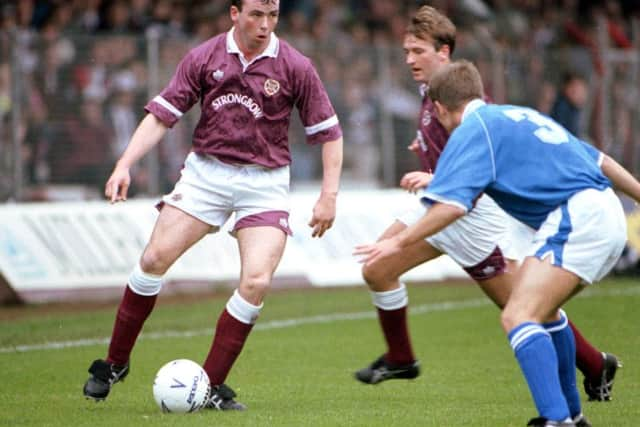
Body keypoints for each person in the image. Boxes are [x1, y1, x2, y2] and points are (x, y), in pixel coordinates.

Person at [353, 5, 619, 410]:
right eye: (406, 51)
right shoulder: (431, 95)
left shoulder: (466, 100)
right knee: (377, 268)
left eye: (418, 51)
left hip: (469, 214)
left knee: (526, 309)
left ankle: (590, 370)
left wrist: (433, 178)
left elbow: (480, 165)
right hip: (443, 205)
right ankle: (402, 358)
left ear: (443, 52)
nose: (409, 60)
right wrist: (426, 155)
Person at [82, 0, 343, 411]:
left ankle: (211, 387)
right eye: (257, 14)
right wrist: (124, 164)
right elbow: (161, 115)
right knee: (153, 258)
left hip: (265, 182)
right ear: (235, 13)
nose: (265, 24)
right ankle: (114, 362)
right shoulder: (204, 57)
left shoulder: (295, 65)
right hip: (206, 175)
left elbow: (329, 132)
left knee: (256, 282)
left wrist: (328, 195)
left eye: (273, 15)